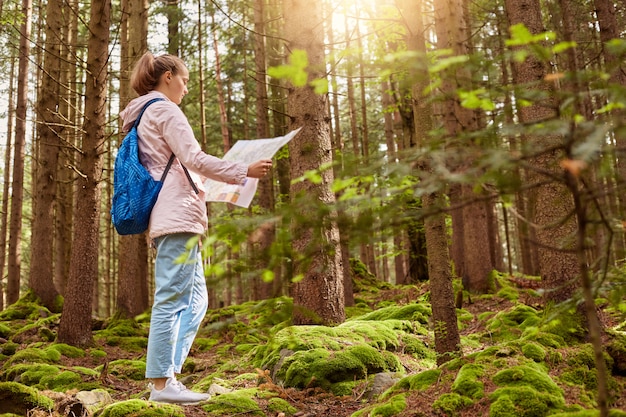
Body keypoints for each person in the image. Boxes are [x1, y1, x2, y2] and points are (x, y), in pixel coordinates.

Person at [120, 52, 272, 405]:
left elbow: (179, 168)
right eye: (185, 81)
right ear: (169, 76)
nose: (187, 88)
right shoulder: (164, 110)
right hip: (176, 217)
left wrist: (217, 184)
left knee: (197, 300)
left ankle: (167, 375)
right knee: (171, 298)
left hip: (179, 214)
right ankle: (160, 383)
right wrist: (243, 170)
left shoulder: (147, 114)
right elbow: (194, 159)